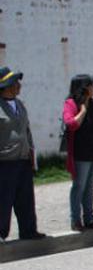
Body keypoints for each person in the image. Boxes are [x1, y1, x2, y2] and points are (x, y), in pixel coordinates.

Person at [0, 66, 45, 242]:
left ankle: (28, 230)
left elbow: (27, 131)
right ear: (7, 86)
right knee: (4, 199)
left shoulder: (20, 104)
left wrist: (31, 152)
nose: (19, 86)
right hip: (5, 161)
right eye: (15, 83)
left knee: (25, 198)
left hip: (23, 158)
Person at [63, 74, 93, 231]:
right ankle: (76, 220)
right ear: (83, 88)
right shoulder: (71, 104)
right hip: (80, 153)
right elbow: (71, 124)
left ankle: (89, 218)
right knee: (79, 186)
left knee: (90, 186)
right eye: (91, 85)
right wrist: (82, 110)